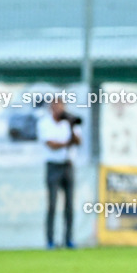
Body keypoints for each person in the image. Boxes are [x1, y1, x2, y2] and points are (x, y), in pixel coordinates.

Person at [38, 99, 81, 249]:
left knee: (69, 206)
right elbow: (51, 145)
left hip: (68, 165)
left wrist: (71, 127)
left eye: (61, 107)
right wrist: (67, 143)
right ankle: (50, 241)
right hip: (53, 166)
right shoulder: (45, 123)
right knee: (52, 205)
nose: (59, 110)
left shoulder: (69, 122)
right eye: (56, 107)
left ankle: (68, 239)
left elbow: (78, 141)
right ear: (51, 108)